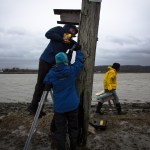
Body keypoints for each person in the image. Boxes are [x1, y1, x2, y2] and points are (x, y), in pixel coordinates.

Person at [27, 24, 78, 117]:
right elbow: (48, 34)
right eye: (72, 29)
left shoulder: (69, 40)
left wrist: (76, 46)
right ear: (67, 27)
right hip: (45, 60)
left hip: (55, 64)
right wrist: (62, 38)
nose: (73, 32)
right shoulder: (59, 29)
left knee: (49, 85)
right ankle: (33, 107)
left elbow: (76, 46)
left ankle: (40, 109)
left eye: (74, 32)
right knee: (40, 84)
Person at [43, 47, 83, 150]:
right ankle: (73, 147)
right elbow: (79, 62)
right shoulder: (71, 70)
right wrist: (78, 51)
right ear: (66, 60)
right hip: (73, 105)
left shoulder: (52, 73)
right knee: (73, 128)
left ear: (56, 61)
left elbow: (46, 81)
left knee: (60, 131)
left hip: (60, 108)